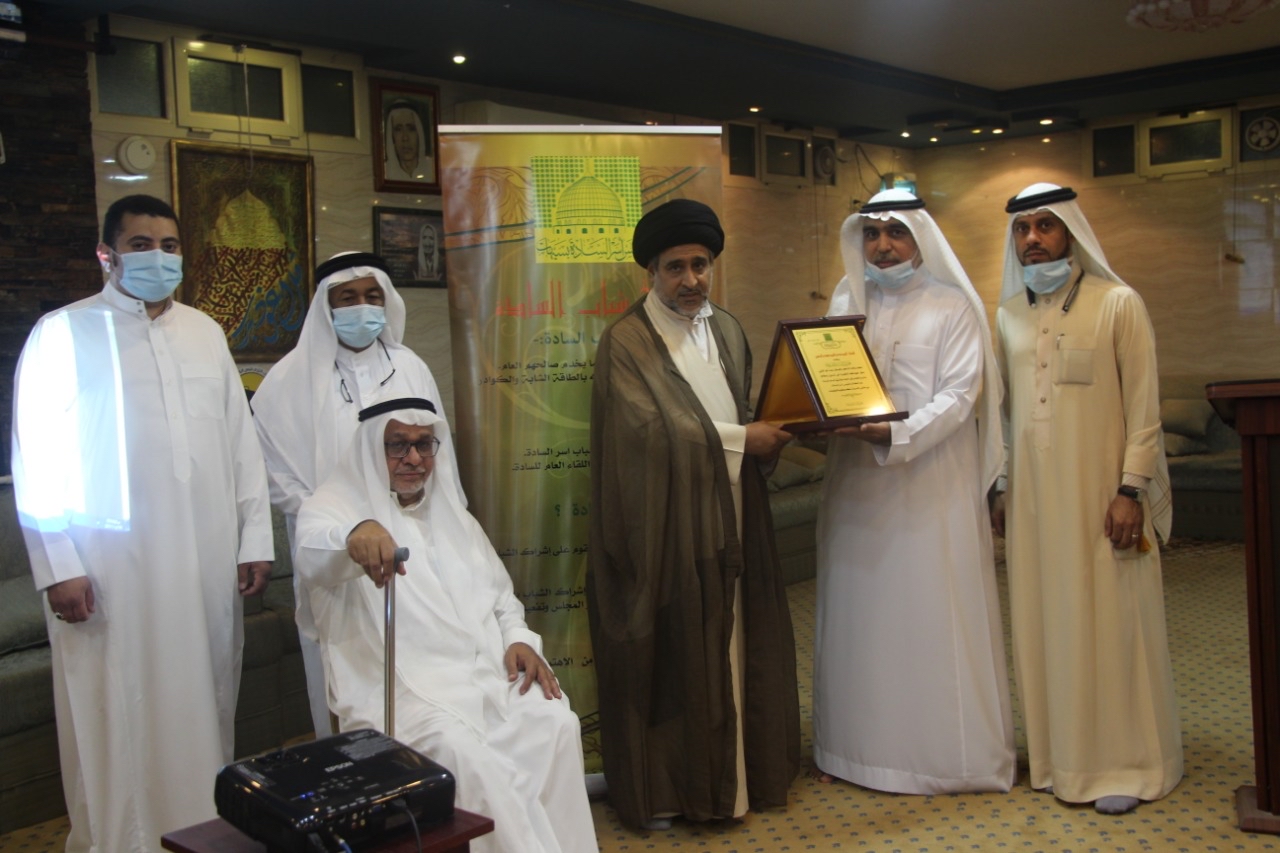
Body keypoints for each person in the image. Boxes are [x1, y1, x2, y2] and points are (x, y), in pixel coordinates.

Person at [11, 194, 274, 852]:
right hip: (107, 569)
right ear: (106, 255)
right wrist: (58, 566)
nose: (158, 257)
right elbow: (34, 457)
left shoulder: (204, 332)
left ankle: (205, 832)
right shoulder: (62, 333)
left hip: (202, 560)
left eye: (169, 245)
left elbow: (240, 444)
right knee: (114, 709)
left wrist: (254, 537)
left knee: (205, 697)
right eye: (140, 245)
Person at [293, 397, 597, 853]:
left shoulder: (453, 515)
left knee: (554, 723)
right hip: (400, 694)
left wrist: (518, 639)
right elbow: (313, 556)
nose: (414, 458)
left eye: (423, 445)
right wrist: (354, 534)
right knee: (464, 754)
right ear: (372, 449)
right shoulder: (333, 507)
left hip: (481, 678)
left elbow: (501, 596)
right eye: (398, 445)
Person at [587, 198, 801, 831]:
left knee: (737, 645)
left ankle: (741, 781)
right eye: (675, 267)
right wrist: (741, 441)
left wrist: (773, 428)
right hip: (667, 530)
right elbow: (643, 433)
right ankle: (679, 792)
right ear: (651, 272)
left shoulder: (727, 329)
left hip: (734, 514)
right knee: (680, 652)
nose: (690, 280)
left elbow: (742, 406)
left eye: (700, 265)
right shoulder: (626, 341)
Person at [813, 188, 1016, 794]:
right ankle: (852, 752)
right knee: (859, 619)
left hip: (931, 492)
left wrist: (896, 435)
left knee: (930, 617)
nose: (882, 246)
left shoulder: (953, 306)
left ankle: (944, 760)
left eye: (896, 232)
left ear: (920, 237)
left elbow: (959, 395)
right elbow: (822, 379)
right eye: (872, 234)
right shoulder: (846, 301)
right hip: (855, 493)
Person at [991, 182, 1182, 814]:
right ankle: (1059, 760)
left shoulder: (1118, 303)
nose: (1032, 239)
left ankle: (1127, 764)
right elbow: (1007, 415)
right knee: (1047, 622)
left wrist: (1131, 489)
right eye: (1022, 229)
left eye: (1045, 226)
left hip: (1104, 498)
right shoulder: (1008, 316)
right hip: (1034, 506)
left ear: (1070, 233)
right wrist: (1002, 485)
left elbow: (1145, 409)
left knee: (1111, 624)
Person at [252, 250, 454, 737]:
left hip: (411, 543)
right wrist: (336, 524)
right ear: (326, 306)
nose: (362, 307)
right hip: (334, 553)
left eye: (372, 296)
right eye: (348, 298)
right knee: (341, 676)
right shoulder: (289, 379)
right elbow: (274, 472)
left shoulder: (410, 367)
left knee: (424, 672)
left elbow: (440, 455)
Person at [384, 102, 433, 183]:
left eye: (411, 129)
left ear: (419, 134)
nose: (405, 138)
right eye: (398, 130)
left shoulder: (433, 168)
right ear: (391, 136)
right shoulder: (384, 172)